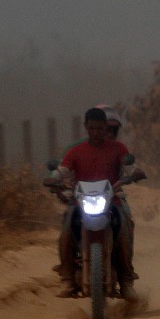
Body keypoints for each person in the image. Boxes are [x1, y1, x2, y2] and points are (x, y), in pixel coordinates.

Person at [52, 107, 139, 298]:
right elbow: (63, 170)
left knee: (125, 229)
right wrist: (53, 177)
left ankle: (126, 280)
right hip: (80, 203)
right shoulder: (76, 151)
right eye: (92, 128)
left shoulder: (118, 149)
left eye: (100, 128)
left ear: (106, 128)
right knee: (66, 230)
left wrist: (134, 173)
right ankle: (67, 278)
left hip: (111, 201)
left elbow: (129, 166)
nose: (96, 132)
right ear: (86, 127)